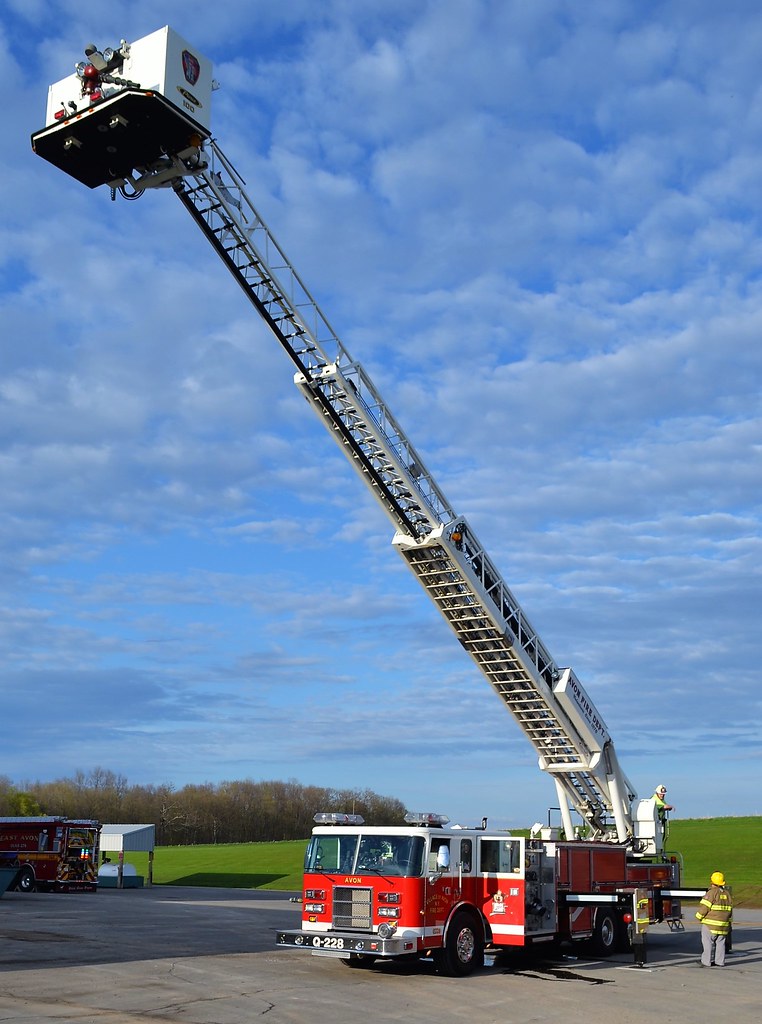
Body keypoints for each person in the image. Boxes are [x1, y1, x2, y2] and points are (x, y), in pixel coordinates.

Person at [696, 871, 733, 967]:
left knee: (708, 942)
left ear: (712, 882)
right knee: (721, 943)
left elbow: (705, 907)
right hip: (723, 925)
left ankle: (706, 961)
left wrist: (698, 916)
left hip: (710, 925)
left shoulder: (711, 893)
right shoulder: (727, 894)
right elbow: (730, 910)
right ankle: (720, 962)